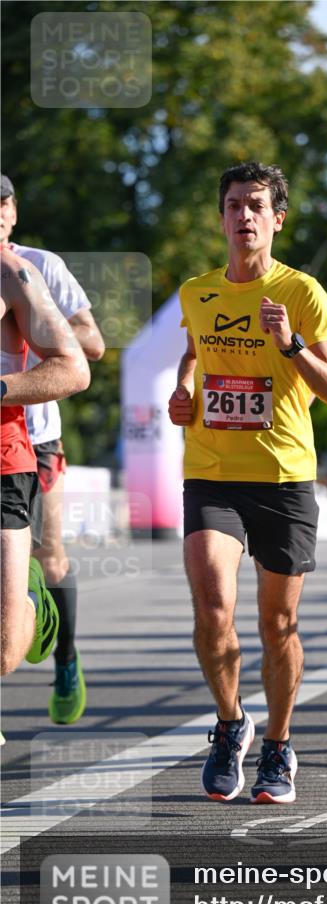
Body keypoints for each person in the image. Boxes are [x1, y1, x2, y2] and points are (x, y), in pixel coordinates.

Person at [168, 161, 327, 804]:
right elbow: (193, 350)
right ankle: (229, 725)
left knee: (278, 624)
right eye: (233, 205)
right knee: (212, 605)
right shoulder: (197, 292)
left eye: (255, 205)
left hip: (283, 477)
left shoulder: (303, 292)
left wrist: (291, 343)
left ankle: (278, 744)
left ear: (277, 219)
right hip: (213, 472)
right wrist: (184, 389)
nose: (243, 215)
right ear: (221, 218)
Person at [1, 174, 105, 725]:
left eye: (2, 202)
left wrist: (30, 310)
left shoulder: (39, 266)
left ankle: (64, 657)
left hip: (35, 436)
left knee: (49, 554)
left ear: (14, 211)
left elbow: (93, 344)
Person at [1, 245, 90, 688]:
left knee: (4, 650)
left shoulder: (21, 272)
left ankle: (35, 603)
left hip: (13, 452)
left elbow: (78, 364)